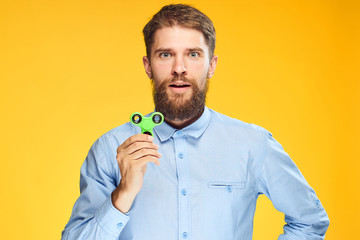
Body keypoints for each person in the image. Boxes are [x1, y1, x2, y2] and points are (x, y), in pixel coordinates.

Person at [62, 4, 329, 240]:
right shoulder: (110, 149)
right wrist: (122, 194)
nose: (179, 68)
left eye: (193, 54)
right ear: (148, 65)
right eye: (165, 55)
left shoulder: (253, 144)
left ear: (211, 65)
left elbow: (309, 221)